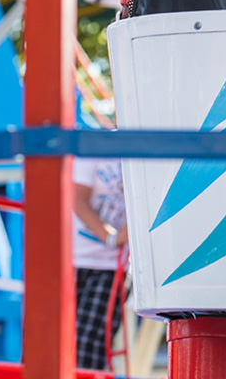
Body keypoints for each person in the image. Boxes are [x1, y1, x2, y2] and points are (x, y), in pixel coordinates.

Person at [72, 157, 128, 371]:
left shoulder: (145, 146)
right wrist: (110, 236)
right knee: (52, 338)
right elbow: (77, 199)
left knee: (89, 347)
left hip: (113, 266)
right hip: (77, 257)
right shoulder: (93, 149)